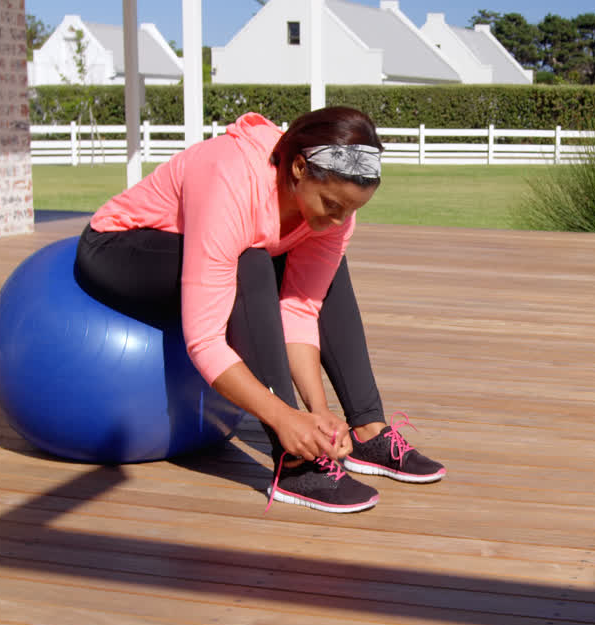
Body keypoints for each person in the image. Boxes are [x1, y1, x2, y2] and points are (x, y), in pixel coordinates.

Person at [74, 106, 444, 513]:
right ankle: (295, 464)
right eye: (331, 203)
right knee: (248, 263)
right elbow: (204, 340)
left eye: (351, 209)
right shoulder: (230, 177)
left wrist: (319, 415)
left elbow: (300, 311)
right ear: (299, 168)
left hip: (216, 247)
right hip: (119, 248)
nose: (340, 218)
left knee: (327, 271)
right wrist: (285, 418)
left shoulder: (334, 214)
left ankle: (367, 431)